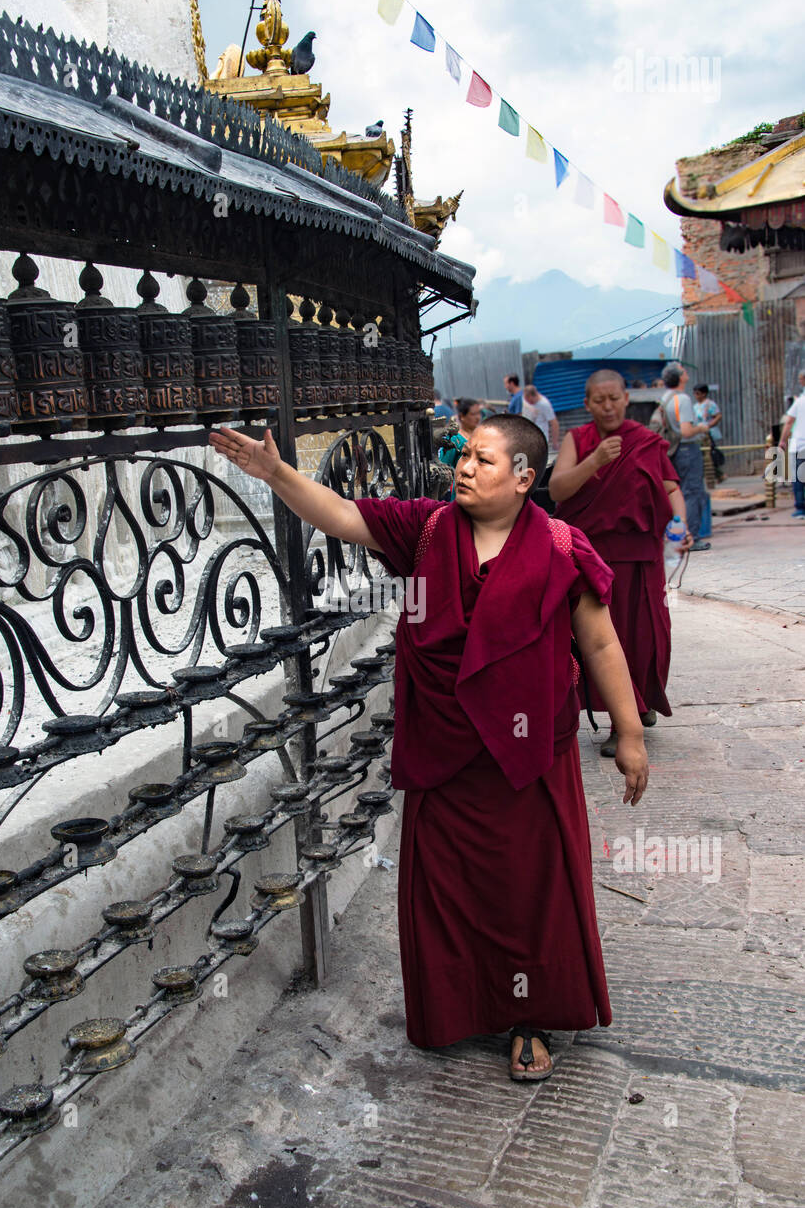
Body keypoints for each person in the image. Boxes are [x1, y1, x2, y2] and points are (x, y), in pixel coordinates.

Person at [209, 415, 649, 1082]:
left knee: (531, 892)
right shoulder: (427, 529)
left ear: (524, 479)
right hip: (445, 751)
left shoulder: (561, 548)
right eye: (464, 457)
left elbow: (599, 643)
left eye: (483, 461)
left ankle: (529, 1017)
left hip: (526, 757)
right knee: (448, 891)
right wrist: (275, 473)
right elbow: (340, 515)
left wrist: (629, 732)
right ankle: (459, 1008)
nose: (464, 469)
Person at [549, 369, 692, 757]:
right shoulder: (578, 441)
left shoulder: (645, 441)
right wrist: (594, 460)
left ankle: (639, 702)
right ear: (587, 404)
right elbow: (559, 489)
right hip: (593, 557)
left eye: (614, 398)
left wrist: (679, 525)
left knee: (645, 635)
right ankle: (622, 719)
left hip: (641, 557)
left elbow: (671, 488)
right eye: (599, 399)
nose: (608, 406)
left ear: (626, 398)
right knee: (603, 638)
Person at [656, 361, 711, 551]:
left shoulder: (665, 397)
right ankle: (692, 537)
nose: (686, 372)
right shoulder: (683, 399)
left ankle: (674, 535)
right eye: (683, 371)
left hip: (673, 450)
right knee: (691, 492)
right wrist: (702, 428)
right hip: (687, 449)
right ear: (680, 377)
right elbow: (686, 431)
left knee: (675, 492)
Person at [779, 373, 805, 518]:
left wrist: (782, 441)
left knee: (799, 478)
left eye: (800, 380)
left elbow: (789, 422)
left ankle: (801, 508)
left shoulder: (800, 402)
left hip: (800, 444)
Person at [521, 384, 561, 450]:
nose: (528, 402)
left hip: (540, 440)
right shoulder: (524, 398)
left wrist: (555, 442)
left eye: (529, 400)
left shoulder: (544, 404)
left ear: (533, 395)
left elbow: (554, 423)